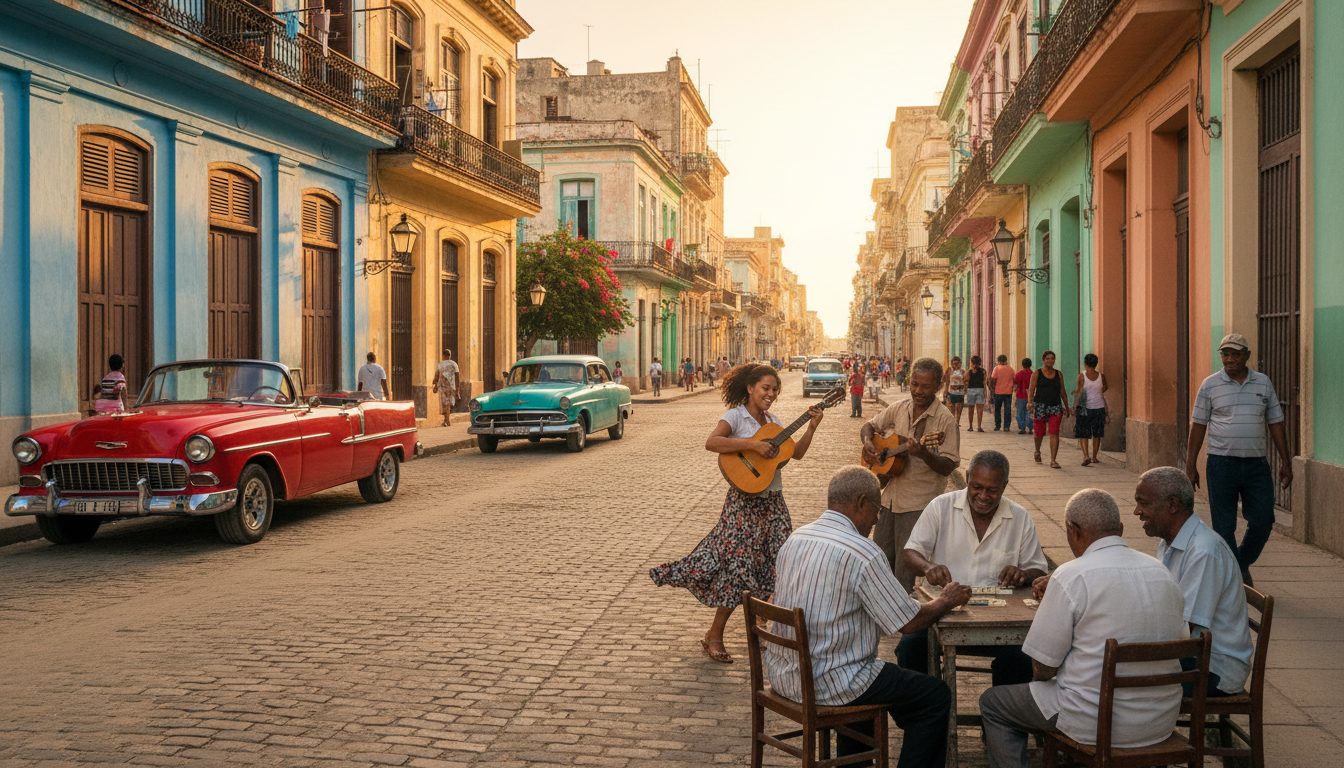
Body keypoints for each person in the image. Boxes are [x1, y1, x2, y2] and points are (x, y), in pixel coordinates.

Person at [768, 466, 972, 767]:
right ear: (861, 503)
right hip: (830, 681)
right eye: (876, 511)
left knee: (870, 677)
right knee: (934, 696)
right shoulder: (863, 552)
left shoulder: (797, 537)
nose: (877, 520)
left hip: (785, 675)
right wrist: (945, 601)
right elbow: (908, 623)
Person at [979, 489, 1188, 768]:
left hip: (1094, 722)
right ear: (1120, 530)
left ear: (1073, 531)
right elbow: (1181, 640)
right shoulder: (1162, 572)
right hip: (1159, 721)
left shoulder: (1071, 575)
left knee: (995, 703)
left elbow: (1042, 668)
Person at [649, 363, 823, 664]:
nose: (771, 393)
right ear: (750, 389)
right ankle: (714, 635)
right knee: (737, 568)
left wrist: (812, 426)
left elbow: (797, 453)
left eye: (774, 389)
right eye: (765, 388)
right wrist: (753, 444)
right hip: (742, 505)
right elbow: (712, 442)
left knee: (777, 563)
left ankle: (762, 626)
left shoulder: (774, 422)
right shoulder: (735, 416)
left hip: (772, 504)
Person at [898, 450, 1048, 686]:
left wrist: (1023, 574)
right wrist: (928, 567)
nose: (983, 496)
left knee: (1023, 657)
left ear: (1005, 486)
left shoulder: (1020, 517)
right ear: (967, 477)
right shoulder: (941, 506)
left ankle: (1000, 717)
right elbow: (910, 553)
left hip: (999, 623)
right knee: (910, 649)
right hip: (941, 614)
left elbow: (1038, 570)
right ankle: (930, 716)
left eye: (992, 490)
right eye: (976, 486)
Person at [1134, 467, 1255, 698]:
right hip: (1191, 656)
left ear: (1172, 505)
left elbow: (1182, 630)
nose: (1136, 511)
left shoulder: (1204, 552)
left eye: (1143, 503)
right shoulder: (1170, 542)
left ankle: (1145, 732)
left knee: (1117, 679)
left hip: (1213, 669)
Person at [1186, 333, 1294, 585]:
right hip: (1221, 464)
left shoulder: (1263, 383)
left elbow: (1275, 422)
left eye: (1235, 354)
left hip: (1256, 465)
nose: (1229, 359)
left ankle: (1239, 564)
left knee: (1263, 520)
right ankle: (1236, 578)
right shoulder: (1210, 385)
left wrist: (1286, 461)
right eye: (1225, 354)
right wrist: (1191, 465)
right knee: (1224, 527)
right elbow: (1198, 425)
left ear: (1247, 356)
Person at [861, 357, 962, 592]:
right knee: (880, 561)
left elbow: (948, 465)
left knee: (905, 571)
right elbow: (870, 426)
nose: (918, 391)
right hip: (888, 500)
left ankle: (904, 621)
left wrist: (924, 454)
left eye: (926, 386)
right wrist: (868, 442)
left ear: (938, 386)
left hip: (918, 503)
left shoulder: (945, 420)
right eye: (915, 384)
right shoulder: (899, 408)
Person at [1027, 351, 1070, 468]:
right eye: (1048, 359)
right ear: (1043, 360)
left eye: (1052, 359)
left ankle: (1053, 460)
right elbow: (1031, 390)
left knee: (1054, 432)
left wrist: (1066, 407)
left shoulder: (1058, 374)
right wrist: (1030, 403)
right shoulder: (1037, 373)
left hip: (1055, 406)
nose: (1050, 361)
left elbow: (1063, 391)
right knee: (1039, 433)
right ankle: (1037, 450)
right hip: (1040, 406)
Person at [1071, 353, 1109, 466]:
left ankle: (1086, 455)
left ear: (1085, 363)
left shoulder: (1082, 376)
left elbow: (1078, 392)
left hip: (1084, 408)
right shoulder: (1102, 376)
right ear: (1096, 364)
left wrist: (1074, 407)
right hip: (1099, 407)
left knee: (1083, 434)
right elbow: (1105, 388)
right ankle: (1094, 457)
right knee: (1097, 434)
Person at [431, 349, 459, 426]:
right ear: (449, 356)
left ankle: (446, 420)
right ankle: (447, 420)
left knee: (444, 404)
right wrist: (457, 388)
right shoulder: (454, 364)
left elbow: (436, 376)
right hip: (451, 387)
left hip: (442, 386)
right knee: (448, 404)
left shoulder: (440, 365)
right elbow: (457, 377)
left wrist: (435, 384)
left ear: (443, 356)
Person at [990, 355, 1016, 432]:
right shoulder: (1010, 369)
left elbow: (993, 380)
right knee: (1007, 410)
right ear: (1006, 360)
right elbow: (1014, 379)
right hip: (1008, 392)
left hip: (998, 391)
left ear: (998, 361)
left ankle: (998, 425)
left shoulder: (996, 368)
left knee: (997, 409)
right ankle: (1006, 426)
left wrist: (992, 390)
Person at [965, 355, 988, 432]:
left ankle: (979, 426)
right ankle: (970, 426)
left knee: (979, 409)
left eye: (976, 364)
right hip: (971, 391)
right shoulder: (969, 371)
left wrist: (986, 393)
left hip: (979, 390)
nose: (975, 365)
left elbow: (985, 382)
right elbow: (966, 381)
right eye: (974, 363)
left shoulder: (983, 371)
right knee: (970, 409)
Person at [943, 356, 966, 426]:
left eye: (957, 363)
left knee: (958, 410)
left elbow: (965, 382)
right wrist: (945, 391)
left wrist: (965, 390)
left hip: (960, 393)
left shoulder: (963, 372)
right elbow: (946, 381)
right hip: (951, 392)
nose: (955, 365)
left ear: (960, 363)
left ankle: (957, 423)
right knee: (950, 410)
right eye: (954, 364)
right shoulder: (949, 370)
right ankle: (952, 423)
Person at [1013, 358, 1033, 435]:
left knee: (1020, 412)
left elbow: (1015, 382)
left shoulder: (1019, 374)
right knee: (1029, 412)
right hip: (1030, 397)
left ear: (1022, 365)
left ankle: (1022, 428)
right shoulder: (1033, 374)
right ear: (1030, 365)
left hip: (1020, 396)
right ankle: (1030, 428)